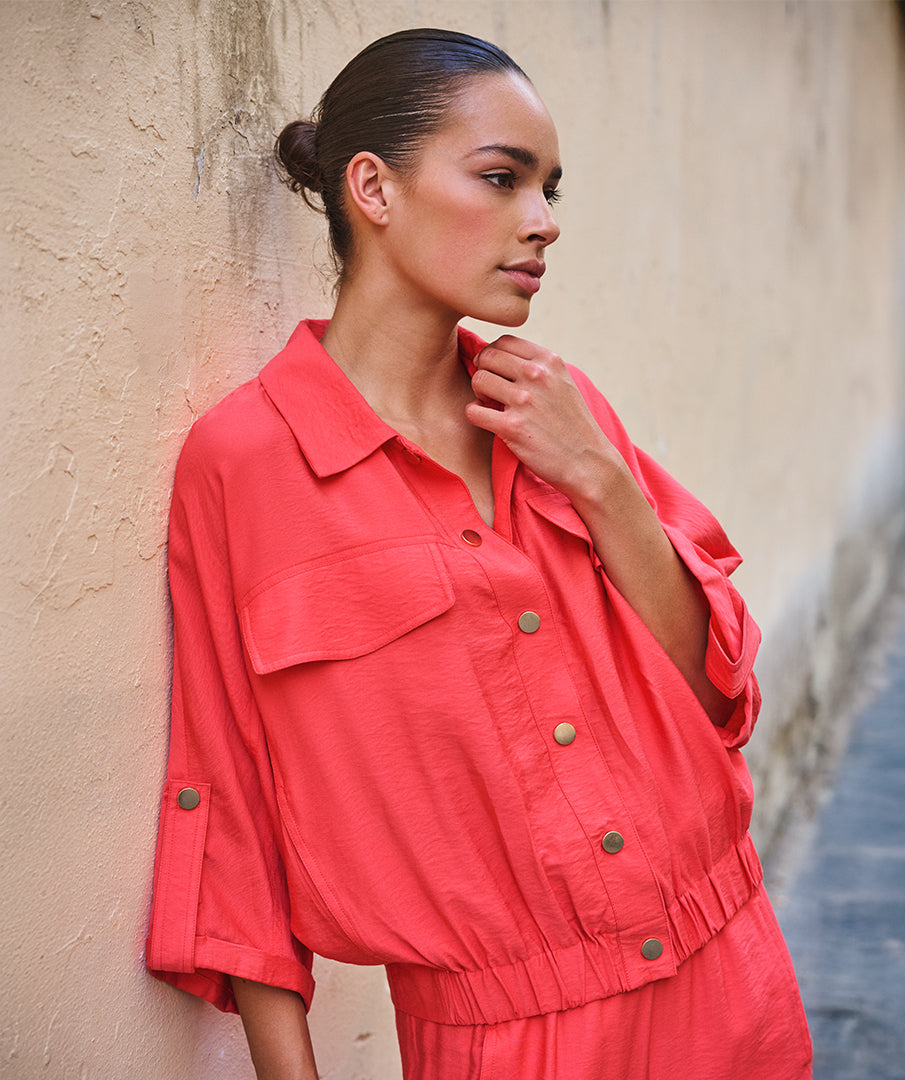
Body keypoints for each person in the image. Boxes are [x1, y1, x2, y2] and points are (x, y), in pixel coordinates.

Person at [146, 27, 812, 1080]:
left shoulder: (558, 411)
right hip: (501, 1040)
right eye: (502, 179)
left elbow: (716, 695)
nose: (542, 222)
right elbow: (229, 797)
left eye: (549, 189)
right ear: (373, 188)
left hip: (732, 984)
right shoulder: (246, 465)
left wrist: (604, 483)